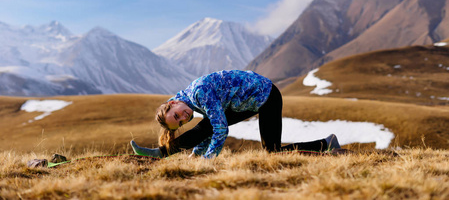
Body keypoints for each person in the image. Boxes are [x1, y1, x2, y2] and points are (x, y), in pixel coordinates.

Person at [130, 70, 341, 159]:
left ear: (173, 103)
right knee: (206, 126)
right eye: (180, 122)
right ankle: (162, 153)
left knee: (272, 151)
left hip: (265, 96)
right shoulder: (188, 101)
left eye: (177, 115)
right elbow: (208, 129)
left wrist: (207, 158)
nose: (184, 118)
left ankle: (327, 143)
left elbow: (220, 129)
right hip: (243, 102)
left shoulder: (198, 93)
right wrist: (196, 154)